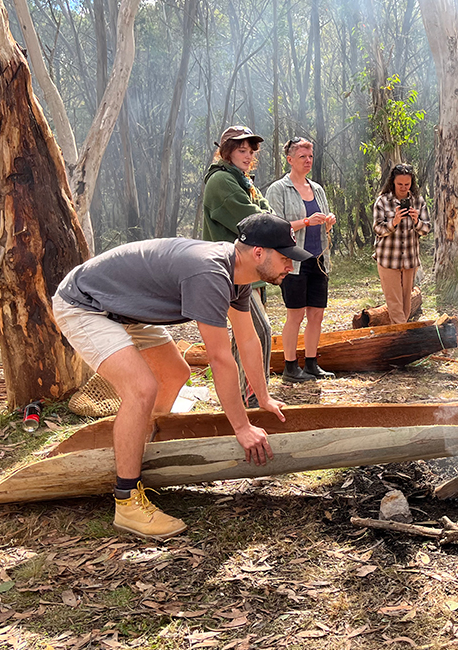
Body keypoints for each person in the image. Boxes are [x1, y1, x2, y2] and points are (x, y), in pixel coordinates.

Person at [53, 214, 312, 539]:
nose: (290, 266)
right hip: (85, 304)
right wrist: (242, 427)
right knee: (142, 389)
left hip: (126, 307)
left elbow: (246, 339)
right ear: (258, 253)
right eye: (285, 257)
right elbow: (220, 358)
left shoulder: (238, 275)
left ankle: (142, 447)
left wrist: (262, 396)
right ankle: (127, 501)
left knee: (175, 373)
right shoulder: (210, 272)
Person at [202, 125, 273, 406]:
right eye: (241, 150)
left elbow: (266, 212)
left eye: (250, 151)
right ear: (226, 152)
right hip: (229, 271)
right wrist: (265, 219)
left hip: (248, 270)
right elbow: (254, 220)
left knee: (241, 338)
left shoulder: (244, 180)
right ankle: (255, 396)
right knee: (260, 331)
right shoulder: (221, 181)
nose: (247, 155)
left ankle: (239, 397)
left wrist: (265, 218)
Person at [266, 137, 337, 382]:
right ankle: (290, 366)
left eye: (310, 156)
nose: (308, 161)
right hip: (293, 261)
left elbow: (324, 225)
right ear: (290, 160)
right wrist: (306, 221)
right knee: (295, 315)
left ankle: (312, 364)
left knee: (316, 313)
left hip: (318, 259)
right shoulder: (278, 189)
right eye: (302, 157)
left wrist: (328, 221)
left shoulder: (317, 189)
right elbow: (275, 227)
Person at [372, 163, 432, 325]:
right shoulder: (382, 201)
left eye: (407, 184)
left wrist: (416, 220)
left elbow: (426, 229)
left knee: (405, 306)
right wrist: (394, 221)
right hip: (388, 259)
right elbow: (378, 229)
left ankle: (397, 338)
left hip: (410, 261)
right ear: (392, 182)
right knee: (395, 304)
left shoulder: (418, 201)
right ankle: (402, 338)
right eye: (400, 184)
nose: (404, 187)